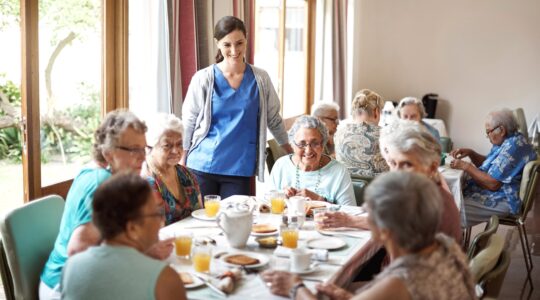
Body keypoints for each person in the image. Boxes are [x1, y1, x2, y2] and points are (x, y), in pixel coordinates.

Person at [261, 172, 476, 300]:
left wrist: (295, 287)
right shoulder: (442, 246)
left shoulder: (405, 278)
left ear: (385, 229)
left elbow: (397, 289)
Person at [40, 110, 172, 300]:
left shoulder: (102, 174)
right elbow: (78, 250)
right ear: (108, 153)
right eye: (134, 149)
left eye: (144, 149)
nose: (142, 157)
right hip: (64, 286)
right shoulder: (100, 182)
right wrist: (143, 252)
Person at [181, 16, 291, 199]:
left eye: (239, 43)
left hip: (239, 168)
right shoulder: (203, 78)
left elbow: (273, 118)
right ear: (218, 44)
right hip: (202, 164)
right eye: (227, 45)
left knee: (235, 223)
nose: (234, 50)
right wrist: (183, 157)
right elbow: (189, 120)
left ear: (246, 40)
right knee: (201, 223)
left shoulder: (261, 79)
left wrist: (290, 150)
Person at [321, 121, 462, 243]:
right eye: (393, 163)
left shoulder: (431, 207)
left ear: (431, 167)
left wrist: (348, 220)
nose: (396, 173)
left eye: (407, 165)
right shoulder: (421, 191)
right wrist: (347, 220)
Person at [61, 173, 186, 300]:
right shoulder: (165, 279)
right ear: (132, 228)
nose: (162, 219)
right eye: (156, 214)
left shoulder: (71, 266)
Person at [450, 108, 537, 226]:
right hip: (494, 191)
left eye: (488, 132)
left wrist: (466, 166)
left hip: (502, 198)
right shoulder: (509, 140)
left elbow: (493, 184)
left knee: (450, 212)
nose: (487, 136)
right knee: (449, 198)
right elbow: (491, 166)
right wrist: (472, 153)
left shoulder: (513, 147)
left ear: (501, 130)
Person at [269, 115, 355, 206]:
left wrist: (319, 200)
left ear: (323, 145)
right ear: (292, 145)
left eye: (315, 143)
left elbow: (350, 212)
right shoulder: (281, 165)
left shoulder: (338, 171)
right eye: (302, 144)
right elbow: (265, 205)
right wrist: (280, 197)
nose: (308, 150)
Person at [142, 113, 202, 225]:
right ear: (151, 146)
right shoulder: (145, 180)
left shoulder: (186, 174)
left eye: (179, 144)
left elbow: (199, 213)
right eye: (167, 145)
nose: (176, 151)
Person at [334, 89, 389, 177]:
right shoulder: (386, 136)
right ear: (376, 112)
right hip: (379, 188)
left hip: (345, 187)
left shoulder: (338, 134)